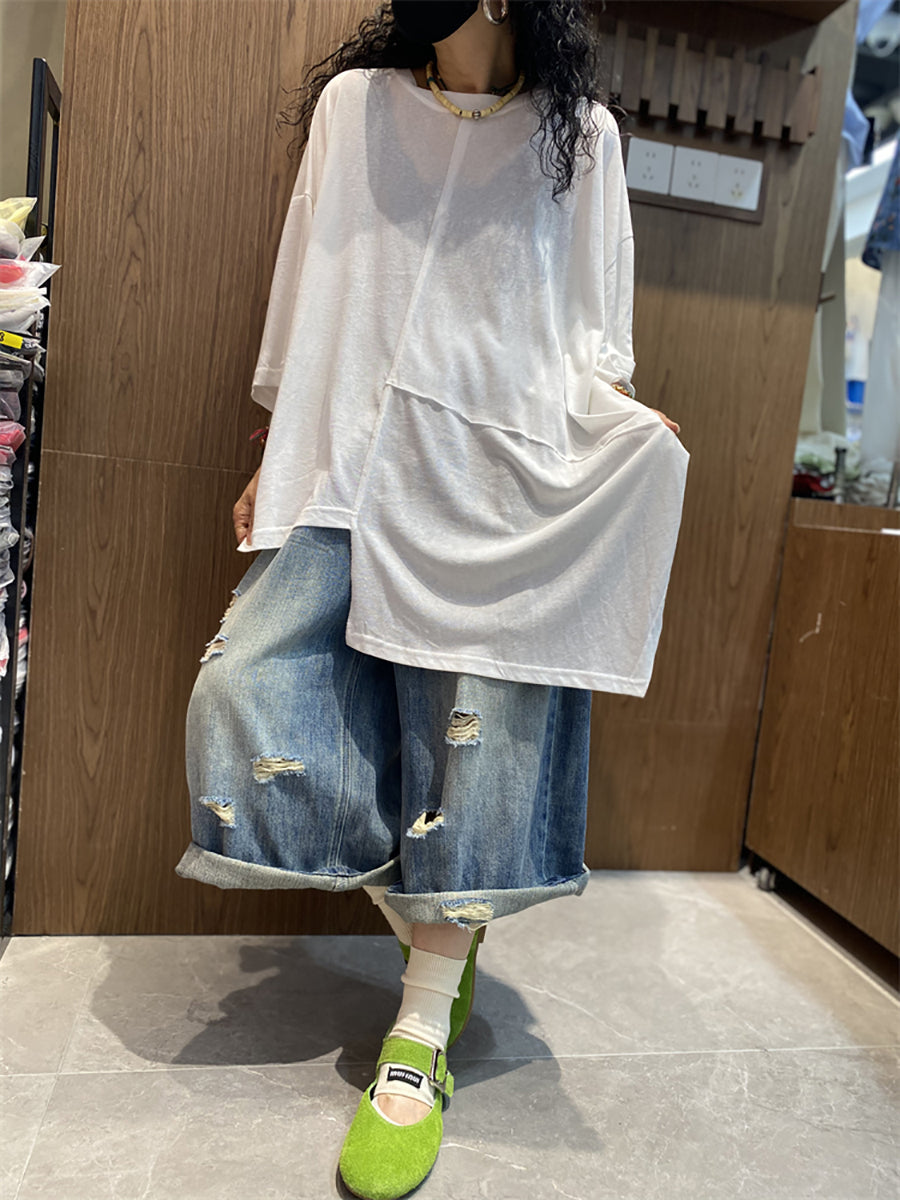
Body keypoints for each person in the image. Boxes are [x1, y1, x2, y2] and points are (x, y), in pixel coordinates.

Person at [175, 2, 688, 1197]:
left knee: (475, 759)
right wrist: (275, 449)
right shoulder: (355, 111)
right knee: (245, 699)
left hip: (492, 484)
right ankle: (442, 942)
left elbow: (593, 334)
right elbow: (306, 290)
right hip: (348, 464)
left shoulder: (583, 136)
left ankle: (418, 1037)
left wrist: (622, 423)